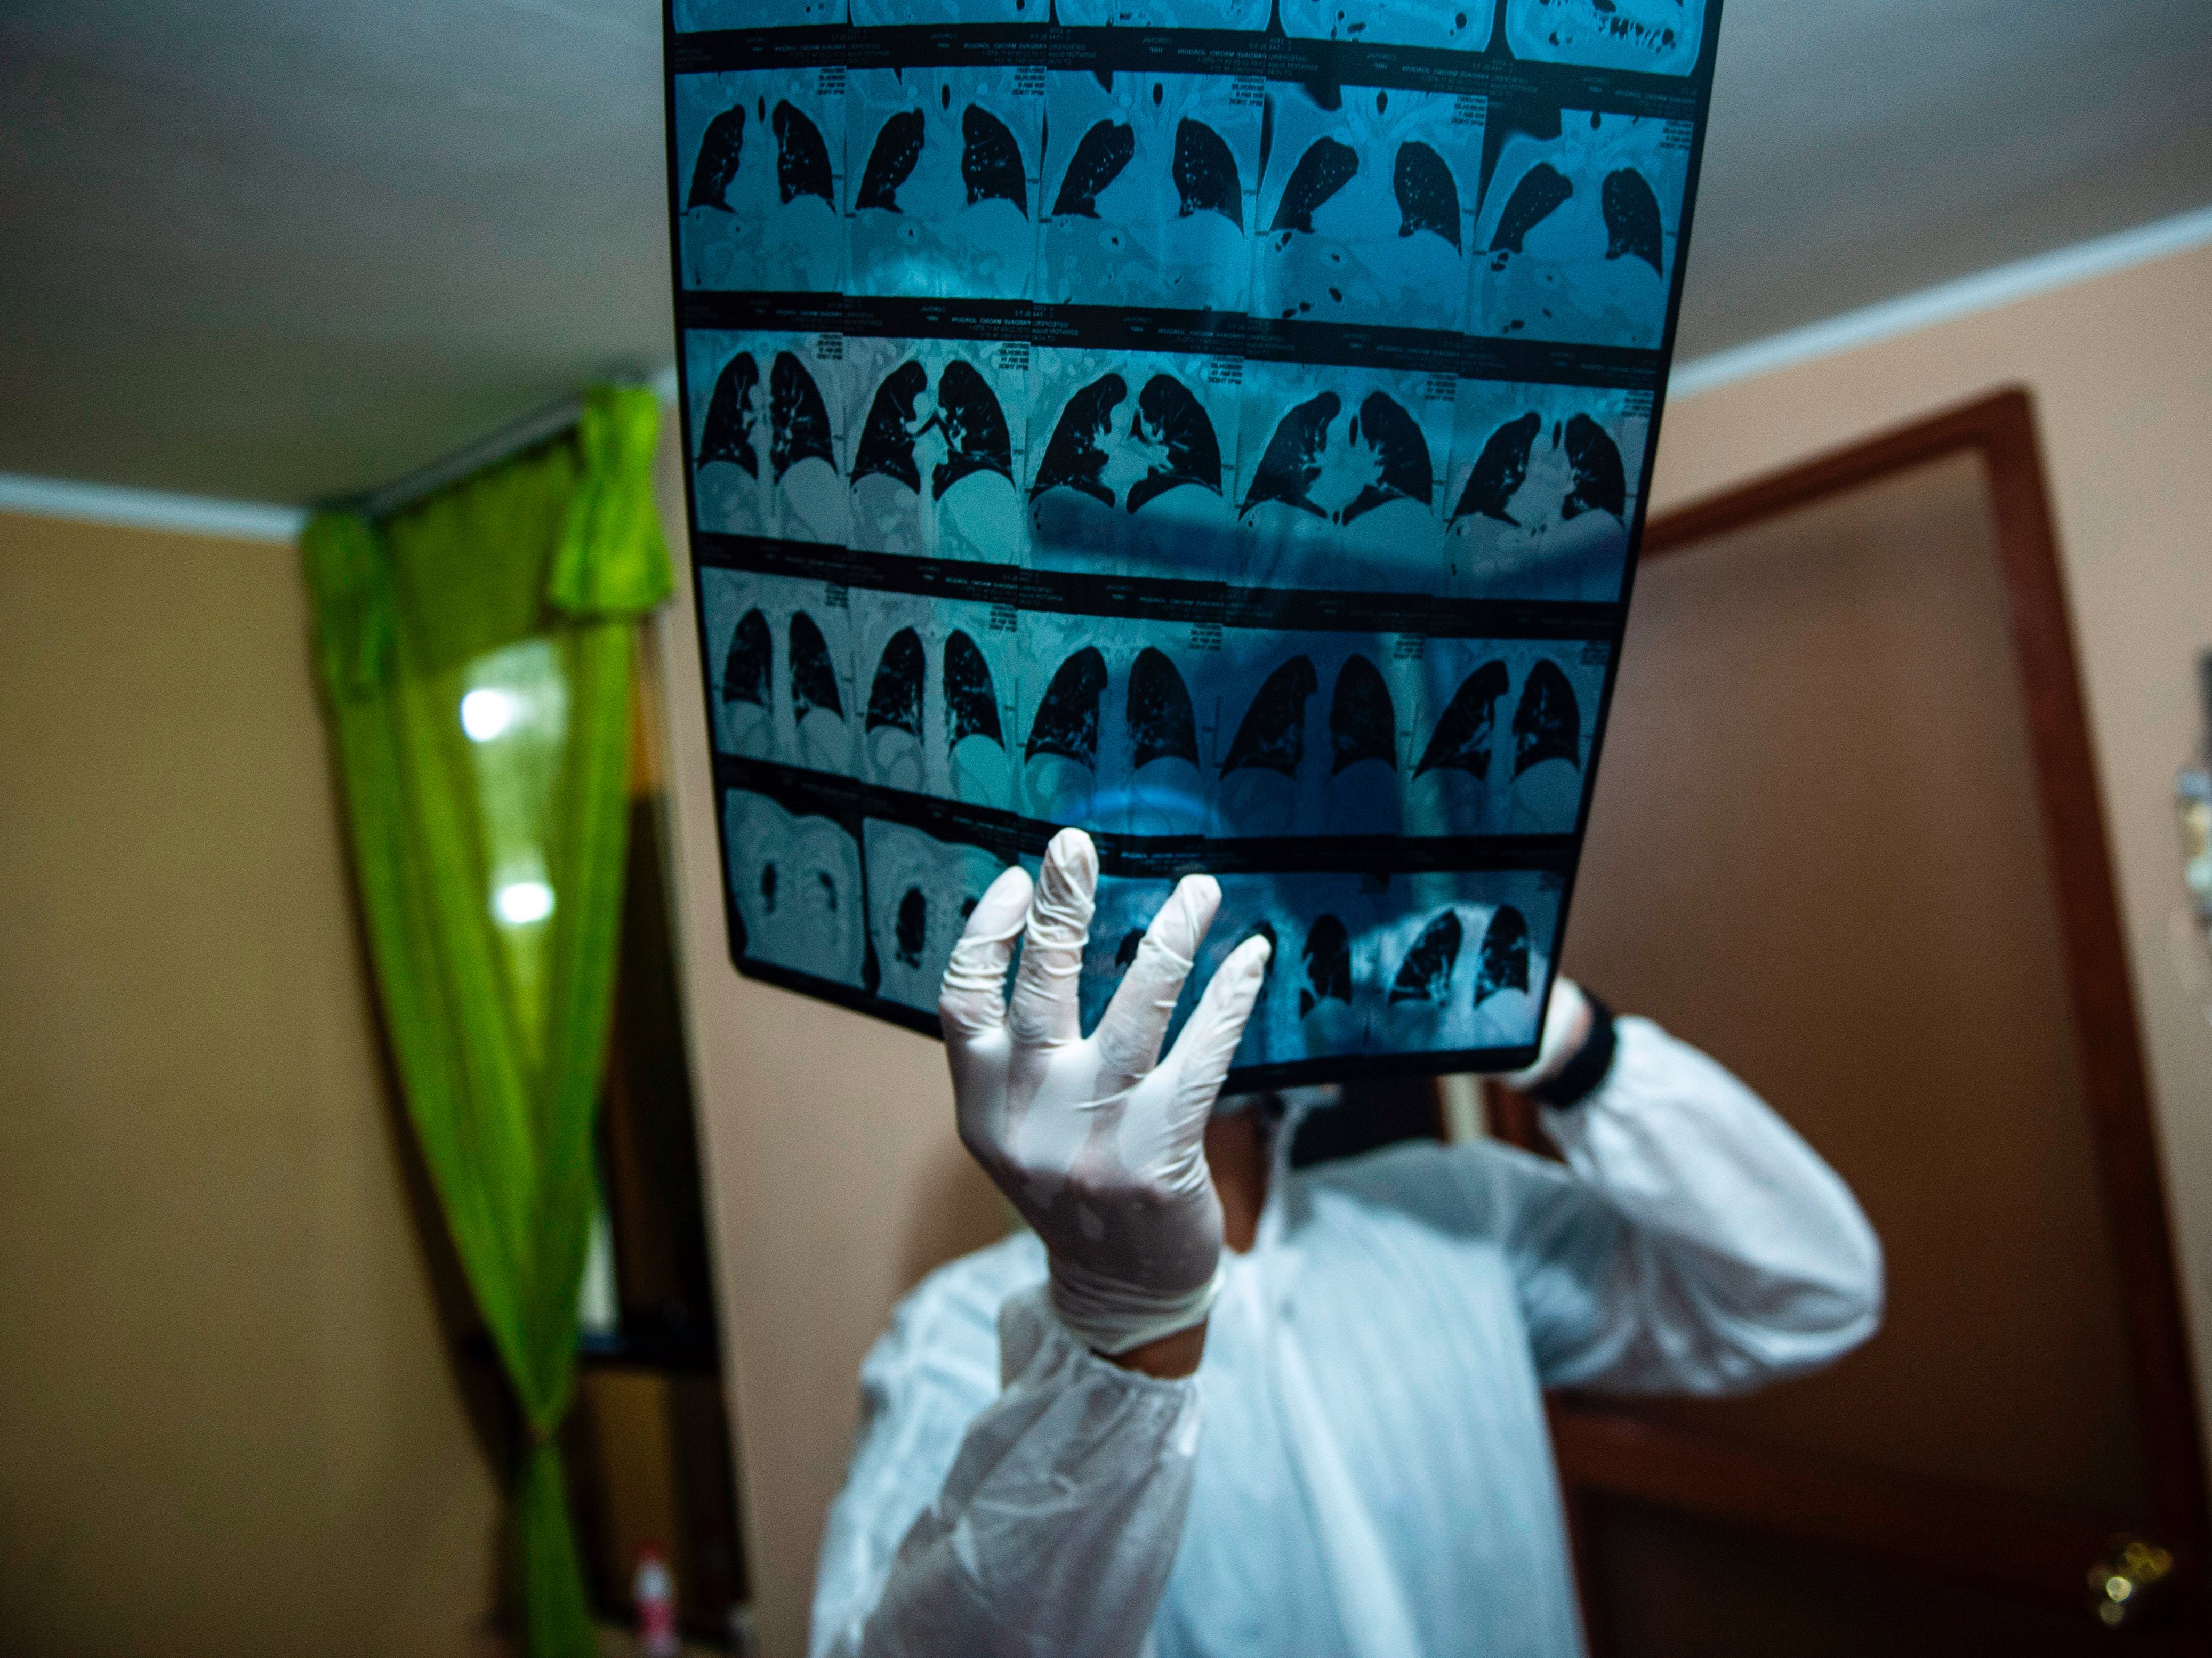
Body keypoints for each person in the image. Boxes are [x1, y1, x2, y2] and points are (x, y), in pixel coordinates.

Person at [812, 830, 1883, 1658]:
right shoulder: (962, 1338)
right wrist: (1110, 1343)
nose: (1173, 960)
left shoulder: (1460, 1220)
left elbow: (1810, 1289)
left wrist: (1567, 1043)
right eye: (1120, 935)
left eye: (1220, 910)